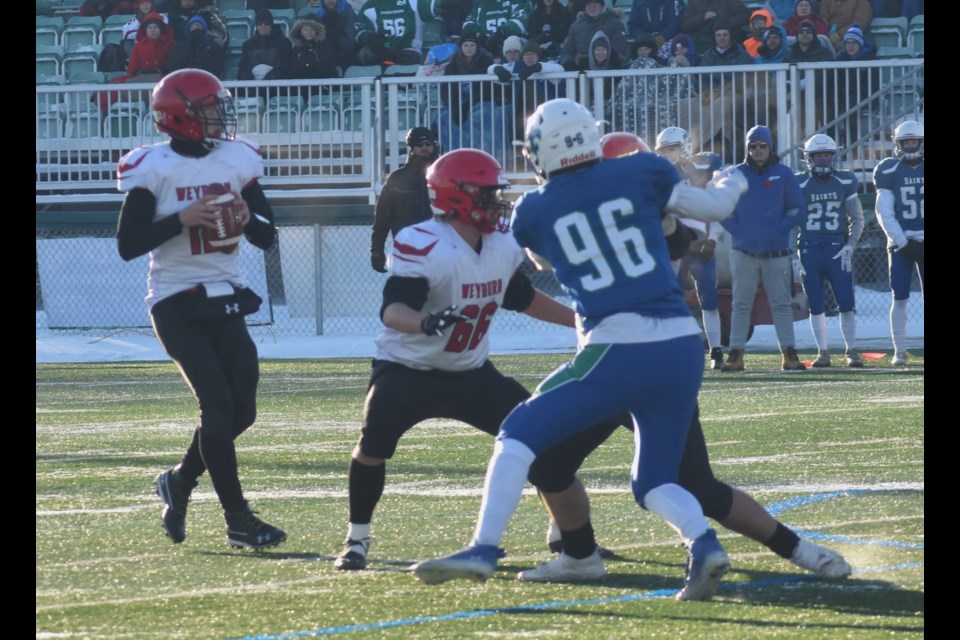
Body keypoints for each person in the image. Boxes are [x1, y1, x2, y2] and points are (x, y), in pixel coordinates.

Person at [412, 98, 750, 601]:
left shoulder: (534, 209)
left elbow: (546, 260)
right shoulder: (641, 170)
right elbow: (716, 209)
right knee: (653, 479)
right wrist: (735, 179)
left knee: (518, 433)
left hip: (614, 345)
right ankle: (702, 544)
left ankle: (484, 547)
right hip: (679, 344)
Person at [332, 147, 610, 571]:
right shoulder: (424, 243)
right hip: (408, 370)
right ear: (456, 196)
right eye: (486, 194)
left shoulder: (501, 243)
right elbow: (392, 311)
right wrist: (426, 323)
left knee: (540, 442)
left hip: (470, 372)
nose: (496, 202)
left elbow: (522, 297)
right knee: (372, 447)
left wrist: (581, 320)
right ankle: (357, 540)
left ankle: (569, 537)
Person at [116, 68, 285, 550]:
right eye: (210, 110)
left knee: (244, 411)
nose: (220, 119)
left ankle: (180, 479)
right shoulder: (153, 167)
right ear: (180, 117)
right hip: (174, 297)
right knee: (217, 405)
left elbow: (268, 234)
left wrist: (248, 215)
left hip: (224, 291)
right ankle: (239, 520)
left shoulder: (235, 158)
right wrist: (181, 218)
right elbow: (128, 244)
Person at [719, 125, 806, 372]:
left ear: (770, 147)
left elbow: (797, 208)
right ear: (747, 148)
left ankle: (789, 353)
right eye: (753, 146)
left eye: (762, 146)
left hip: (776, 250)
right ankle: (735, 354)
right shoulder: (735, 174)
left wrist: (779, 230)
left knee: (780, 303)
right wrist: (741, 232)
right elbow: (723, 208)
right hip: (743, 251)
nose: (758, 150)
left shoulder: (784, 174)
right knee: (740, 304)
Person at [795, 134, 865, 368]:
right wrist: (793, 253)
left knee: (846, 301)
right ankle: (822, 352)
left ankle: (851, 350)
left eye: (827, 155)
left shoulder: (845, 181)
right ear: (808, 158)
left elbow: (857, 218)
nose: (823, 160)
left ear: (834, 156)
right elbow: (789, 221)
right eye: (818, 155)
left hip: (836, 247)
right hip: (809, 247)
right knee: (816, 302)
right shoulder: (800, 182)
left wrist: (850, 245)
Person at [873, 120, 923, 367]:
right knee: (900, 297)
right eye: (907, 142)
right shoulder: (888, 169)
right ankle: (899, 350)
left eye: (915, 141)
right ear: (898, 144)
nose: (911, 145)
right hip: (900, 242)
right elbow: (884, 213)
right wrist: (903, 242)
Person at [369, 127, 440, 274]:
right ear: (411, 148)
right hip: (407, 254)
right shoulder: (397, 178)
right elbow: (382, 218)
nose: (425, 148)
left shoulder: (444, 176)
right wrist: (377, 249)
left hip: (440, 252)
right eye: (419, 145)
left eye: (428, 144)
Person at [355, 0, 434, 66]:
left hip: (408, 51)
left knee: (413, 58)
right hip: (381, 50)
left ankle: (402, 83)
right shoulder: (370, 6)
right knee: (364, 54)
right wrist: (370, 38)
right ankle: (377, 81)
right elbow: (360, 30)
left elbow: (436, 5)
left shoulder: (415, 2)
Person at [560, 0, 629, 72]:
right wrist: (569, 63)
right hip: (583, 73)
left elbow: (620, 50)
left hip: (609, 73)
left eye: (595, 4)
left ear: (602, 6)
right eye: (589, 5)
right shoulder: (576, 26)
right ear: (585, 7)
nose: (592, 7)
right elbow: (567, 51)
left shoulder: (615, 24)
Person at [237, 9, 293, 81]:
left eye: (266, 23)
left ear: (271, 25)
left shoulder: (284, 43)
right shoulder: (248, 45)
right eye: (260, 24)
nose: (263, 26)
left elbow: (285, 66)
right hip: (253, 86)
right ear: (256, 26)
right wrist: (248, 79)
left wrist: (269, 78)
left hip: (276, 85)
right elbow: (243, 67)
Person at [165, 13, 227, 77]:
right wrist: (189, 46)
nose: (196, 28)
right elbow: (172, 66)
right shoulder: (180, 46)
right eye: (193, 26)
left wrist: (201, 48)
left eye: (199, 26)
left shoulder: (213, 45)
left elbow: (216, 67)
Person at [461, 0, 530, 58]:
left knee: (512, 41)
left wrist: (500, 33)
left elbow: (520, 20)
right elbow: (469, 22)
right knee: (468, 46)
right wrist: (478, 35)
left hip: (509, 42)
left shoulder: (517, 2)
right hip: (484, 45)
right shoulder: (480, 3)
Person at [680, 0, 750, 54]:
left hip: (728, 43)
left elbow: (746, 16)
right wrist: (703, 17)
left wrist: (725, 25)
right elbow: (685, 25)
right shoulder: (694, 2)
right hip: (701, 45)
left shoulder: (730, 1)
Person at [308, 0, 359, 71]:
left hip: (345, 59)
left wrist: (334, 34)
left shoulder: (348, 13)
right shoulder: (319, 15)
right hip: (324, 58)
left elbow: (349, 44)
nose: (330, 1)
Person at [288, 16, 340, 84]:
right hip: (301, 83)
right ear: (301, 31)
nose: (309, 32)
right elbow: (293, 66)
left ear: (317, 31)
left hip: (322, 82)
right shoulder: (297, 47)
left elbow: (327, 66)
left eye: (312, 29)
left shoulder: (325, 45)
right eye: (306, 29)